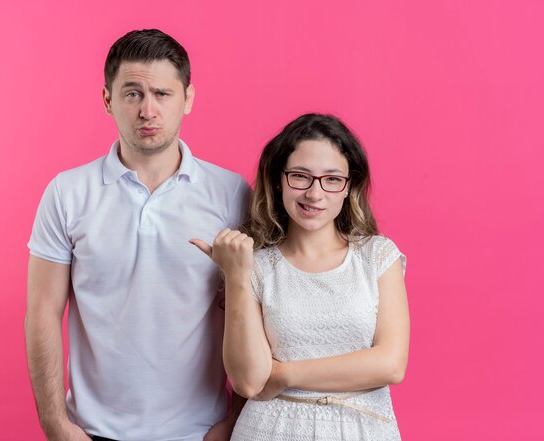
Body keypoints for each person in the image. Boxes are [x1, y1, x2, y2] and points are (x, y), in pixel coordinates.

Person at [25, 29, 250, 441]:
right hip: (92, 431)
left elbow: (261, 315)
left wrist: (234, 422)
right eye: (132, 94)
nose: (148, 110)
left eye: (163, 94)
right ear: (107, 99)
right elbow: (42, 313)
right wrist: (56, 425)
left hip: (201, 432)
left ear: (188, 99)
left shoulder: (233, 194)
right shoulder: (67, 192)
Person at [191, 113, 409, 440]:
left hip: (363, 429)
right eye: (300, 176)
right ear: (279, 180)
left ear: (349, 187)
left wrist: (283, 374)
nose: (314, 194)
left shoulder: (377, 256)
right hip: (268, 430)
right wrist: (236, 277)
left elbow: (391, 364)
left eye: (332, 179)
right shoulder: (257, 266)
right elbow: (250, 381)